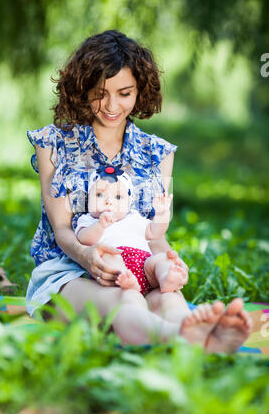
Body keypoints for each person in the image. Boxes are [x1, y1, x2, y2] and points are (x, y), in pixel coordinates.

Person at [26, 29, 252, 352]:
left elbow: (154, 237)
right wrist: (88, 258)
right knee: (125, 297)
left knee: (169, 298)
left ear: (139, 91)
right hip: (67, 274)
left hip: (138, 267)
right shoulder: (53, 144)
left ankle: (198, 335)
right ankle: (181, 339)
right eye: (100, 92)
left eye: (124, 93)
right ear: (83, 87)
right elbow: (62, 230)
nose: (111, 106)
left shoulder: (158, 153)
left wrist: (170, 264)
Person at [75, 168, 188, 295]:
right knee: (109, 257)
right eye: (99, 195)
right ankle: (128, 282)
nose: (108, 201)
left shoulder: (134, 218)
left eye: (118, 197)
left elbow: (155, 232)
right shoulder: (88, 220)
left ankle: (167, 277)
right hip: (114, 263)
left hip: (145, 266)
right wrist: (100, 225)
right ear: (88, 199)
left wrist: (162, 214)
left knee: (161, 259)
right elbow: (84, 239)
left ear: (129, 203)